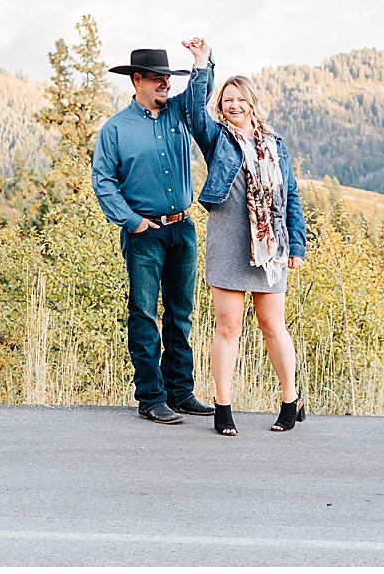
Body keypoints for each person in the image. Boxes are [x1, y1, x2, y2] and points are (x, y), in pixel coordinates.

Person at [92, 40, 216, 424]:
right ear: (137, 80)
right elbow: (103, 182)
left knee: (182, 314)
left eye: (168, 78)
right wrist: (133, 222)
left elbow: (200, 93)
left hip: (184, 229)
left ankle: (180, 392)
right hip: (144, 234)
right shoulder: (115, 130)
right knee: (144, 314)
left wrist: (201, 62)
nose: (166, 84)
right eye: (159, 78)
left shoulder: (179, 113)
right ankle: (150, 398)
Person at [185, 63, 307, 436]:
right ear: (221, 106)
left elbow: (291, 195)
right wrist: (201, 64)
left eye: (240, 99)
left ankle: (291, 399)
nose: (234, 105)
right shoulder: (216, 137)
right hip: (228, 241)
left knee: (272, 325)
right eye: (227, 100)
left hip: (270, 245)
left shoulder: (276, 144)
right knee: (228, 326)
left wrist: (297, 243)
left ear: (253, 103)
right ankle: (223, 406)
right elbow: (193, 109)